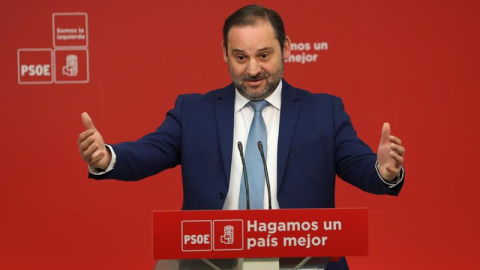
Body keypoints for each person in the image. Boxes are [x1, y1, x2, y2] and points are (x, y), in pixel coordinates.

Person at [78, 4, 405, 269]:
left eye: (264, 55)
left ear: (286, 48)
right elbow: (150, 151)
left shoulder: (324, 111)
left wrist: (384, 171)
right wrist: (108, 157)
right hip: (211, 262)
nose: (252, 70)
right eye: (241, 57)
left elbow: (359, 165)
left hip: (307, 262)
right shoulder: (194, 110)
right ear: (225, 53)